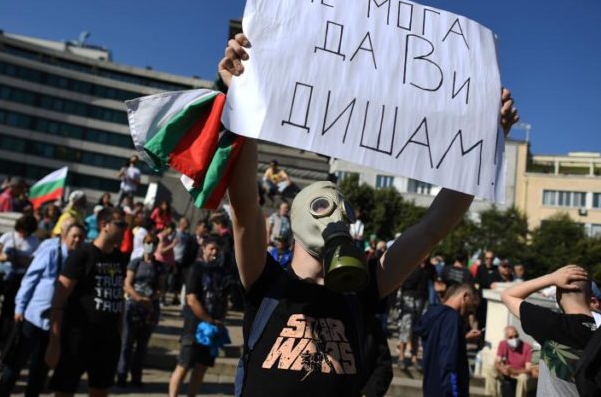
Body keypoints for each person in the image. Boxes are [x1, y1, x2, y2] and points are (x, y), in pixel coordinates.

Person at [218, 33, 518, 396]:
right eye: (322, 206)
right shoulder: (266, 282)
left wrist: (486, 145)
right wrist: (240, 97)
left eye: (344, 211)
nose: (336, 218)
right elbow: (246, 210)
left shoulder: (361, 291)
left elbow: (431, 228)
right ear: (297, 220)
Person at [0, 222, 86, 397]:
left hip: (54, 323)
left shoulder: (80, 260)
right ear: (64, 236)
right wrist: (20, 308)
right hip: (33, 316)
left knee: (40, 369)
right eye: (74, 236)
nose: (77, 240)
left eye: (80, 237)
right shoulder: (51, 252)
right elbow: (30, 278)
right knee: (14, 364)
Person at [45, 207, 127, 397]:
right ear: (104, 225)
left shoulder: (119, 258)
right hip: (78, 338)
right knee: (65, 390)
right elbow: (59, 298)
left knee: (100, 390)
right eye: (120, 224)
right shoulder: (83, 254)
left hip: (107, 340)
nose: (125, 229)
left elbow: (119, 297)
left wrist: (118, 334)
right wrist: (54, 341)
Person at [500, 265, 596, 396]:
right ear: (591, 295)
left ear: (558, 294)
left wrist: (550, 278)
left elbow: (507, 295)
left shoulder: (552, 324)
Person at [168, 236, 228, 397]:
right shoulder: (196, 268)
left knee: (202, 367)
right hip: (194, 327)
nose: (214, 252)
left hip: (213, 328)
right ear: (204, 249)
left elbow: (223, 298)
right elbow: (192, 299)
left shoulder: (220, 271)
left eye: (217, 249)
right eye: (211, 248)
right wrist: (208, 319)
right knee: (184, 364)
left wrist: (220, 320)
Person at [416, 283, 481, 397]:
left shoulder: (433, 313)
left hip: (431, 386)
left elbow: (439, 345)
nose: (471, 312)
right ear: (465, 297)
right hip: (446, 390)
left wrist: (462, 338)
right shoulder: (452, 318)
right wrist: (453, 393)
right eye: (473, 305)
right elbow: (448, 360)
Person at [117, 241, 161, 388]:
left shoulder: (159, 266)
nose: (150, 246)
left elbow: (162, 287)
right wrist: (138, 297)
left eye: (153, 243)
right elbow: (127, 284)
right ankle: (121, 375)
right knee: (126, 343)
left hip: (150, 308)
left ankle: (136, 377)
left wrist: (151, 299)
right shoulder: (135, 262)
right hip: (133, 305)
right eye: (148, 243)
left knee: (142, 345)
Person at [0, 213, 40, 345]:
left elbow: (34, 261)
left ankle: (1, 338)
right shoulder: (8, 236)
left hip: (19, 277)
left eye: (26, 231)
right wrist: (6, 258)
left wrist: (24, 260)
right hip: (4, 274)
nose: (22, 234)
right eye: (21, 230)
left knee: (8, 309)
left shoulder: (34, 242)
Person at [396, 258, 435, 369]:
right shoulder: (410, 263)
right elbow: (401, 281)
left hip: (423, 299)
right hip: (408, 297)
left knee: (418, 329)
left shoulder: (430, 268)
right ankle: (401, 357)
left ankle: (414, 358)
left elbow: (434, 283)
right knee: (406, 327)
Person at [494, 326, 534, 397]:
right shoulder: (503, 344)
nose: (514, 339)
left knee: (523, 377)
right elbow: (497, 362)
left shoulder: (527, 347)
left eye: (516, 336)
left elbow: (529, 369)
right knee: (490, 369)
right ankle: (492, 394)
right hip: (508, 372)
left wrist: (513, 371)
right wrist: (501, 368)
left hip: (520, 373)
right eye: (510, 337)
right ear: (506, 338)